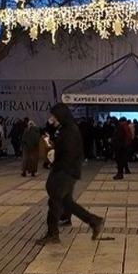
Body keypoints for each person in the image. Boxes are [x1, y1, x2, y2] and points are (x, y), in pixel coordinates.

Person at [34, 104, 109, 244]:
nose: (51, 118)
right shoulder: (64, 128)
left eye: (53, 116)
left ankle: (52, 234)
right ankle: (94, 221)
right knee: (66, 202)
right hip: (66, 170)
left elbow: (68, 152)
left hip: (65, 171)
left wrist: (54, 154)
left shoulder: (69, 131)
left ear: (60, 116)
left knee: (55, 202)